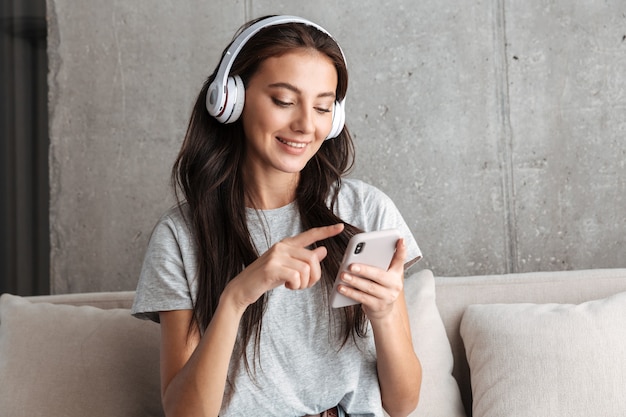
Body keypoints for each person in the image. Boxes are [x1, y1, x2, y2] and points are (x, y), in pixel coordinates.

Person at [132, 15, 422, 417]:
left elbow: (403, 403)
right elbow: (185, 413)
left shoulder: (366, 210)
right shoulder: (181, 236)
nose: (305, 124)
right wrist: (237, 296)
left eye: (323, 107)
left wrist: (385, 313)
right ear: (231, 100)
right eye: (284, 101)